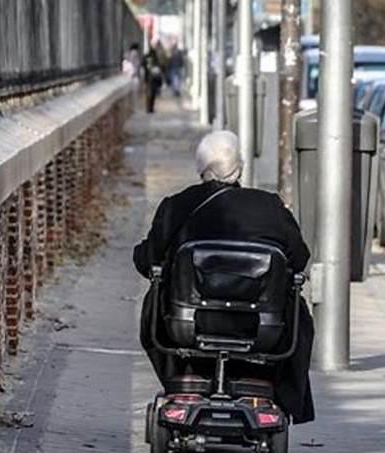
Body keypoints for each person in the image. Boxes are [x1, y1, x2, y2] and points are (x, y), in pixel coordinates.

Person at [133, 131, 315, 424]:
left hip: (188, 325)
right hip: (261, 329)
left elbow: (147, 260)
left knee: (156, 298)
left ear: (201, 168)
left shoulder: (177, 206)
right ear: (240, 167)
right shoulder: (271, 207)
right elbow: (300, 259)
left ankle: (186, 376)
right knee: (297, 308)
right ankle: (267, 385)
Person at [142, 44, 164, 113]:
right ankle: (151, 107)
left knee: (148, 93)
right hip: (154, 79)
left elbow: (142, 65)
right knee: (153, 94)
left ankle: (148, 107)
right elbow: (160, 67)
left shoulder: (146, 57)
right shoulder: (155, 58)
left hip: (148, 78)